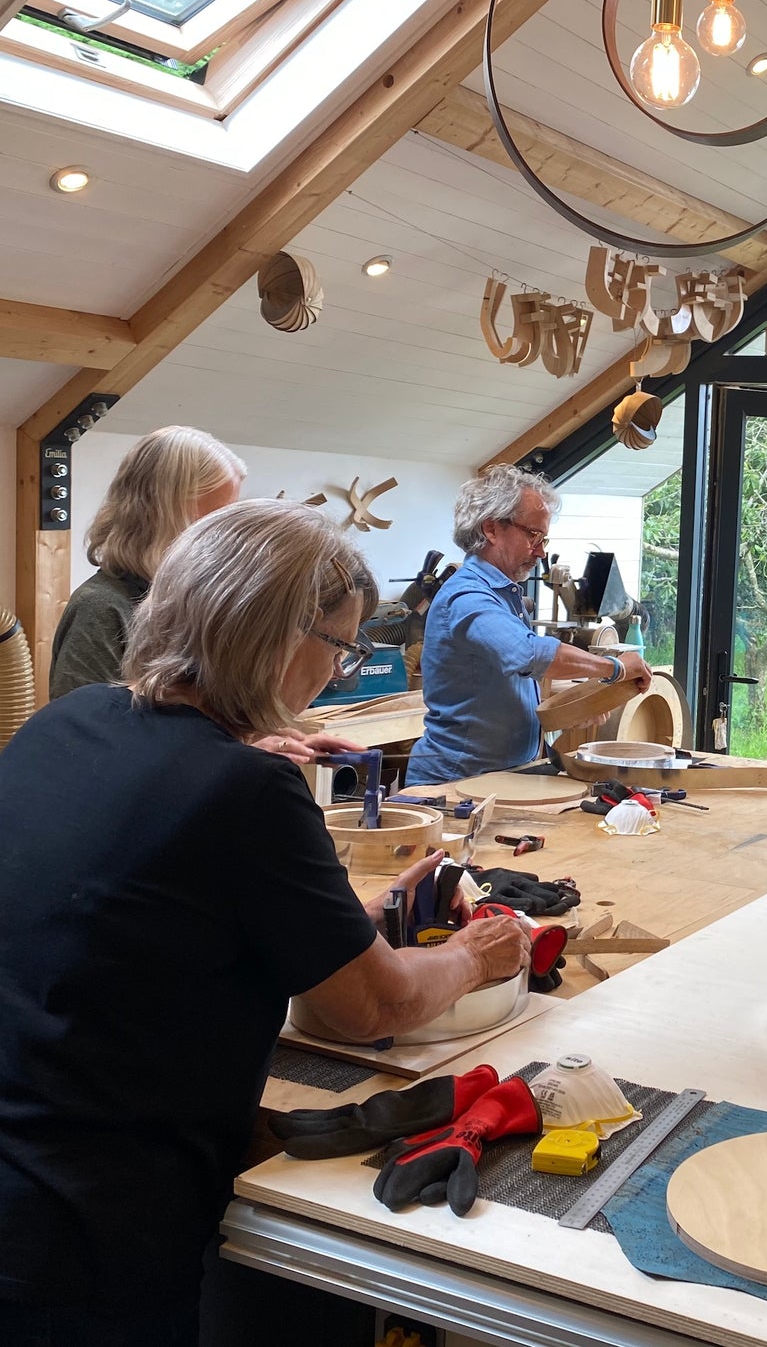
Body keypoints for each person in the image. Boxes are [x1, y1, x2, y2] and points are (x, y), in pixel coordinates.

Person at [0, 500, 530, 1344]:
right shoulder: (244, 790)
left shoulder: (65, 723)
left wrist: (327, 926)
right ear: (280, 636)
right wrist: (476, 952)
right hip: (89, 1231)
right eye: (341, 646)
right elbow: (374, 1010)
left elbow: (135, 924)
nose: (339, 671)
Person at [407, 464, 650, 785]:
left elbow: (507, 687)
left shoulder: (502, 594)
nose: (541, 551)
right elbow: (528, 654)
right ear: (491, 529)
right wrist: (614, 668)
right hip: (456, 782)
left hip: (501, 776)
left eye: (544, 538)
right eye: (533, 535)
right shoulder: (467, 596)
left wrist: (568, 713)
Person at [50, 426, 247, 700]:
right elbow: (80, 736)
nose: (221, 538)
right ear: (164, 516)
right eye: (209, 523)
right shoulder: (101, 610)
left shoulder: (191, 604)